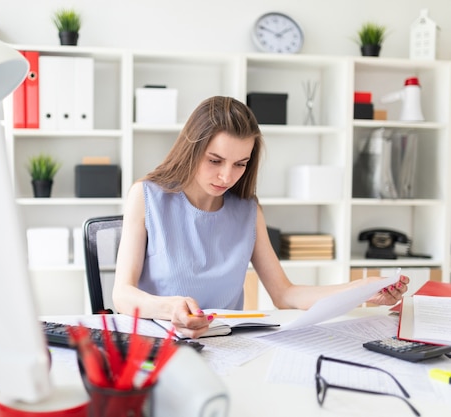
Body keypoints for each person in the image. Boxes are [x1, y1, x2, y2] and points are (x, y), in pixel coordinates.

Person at [112, 96, 409, 338]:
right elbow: (122, 295)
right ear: (191, 149)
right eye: (215, 160)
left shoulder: (247, 210)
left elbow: (285, 294)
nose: (226, 176)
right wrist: (171, 308)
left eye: (240, 164)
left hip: (225, 346)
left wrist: (363, 291)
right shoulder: (147, 196)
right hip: (157, 344)